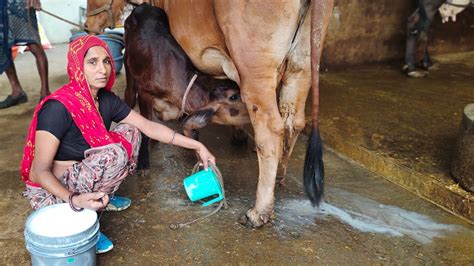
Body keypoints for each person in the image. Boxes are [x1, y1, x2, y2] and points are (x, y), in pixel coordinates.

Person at [21, 35, 216, 253]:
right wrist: (74, 199)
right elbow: (39, 172)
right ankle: (86, 220)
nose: (103, 69)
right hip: (53, 192)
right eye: (92, 62)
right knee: (113, 154)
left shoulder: (105, 99)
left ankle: (99, 196)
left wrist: (197, 146)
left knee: (131, 132)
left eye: (106, 61)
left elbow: (149, 126)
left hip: (83, 172)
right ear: (77, 66)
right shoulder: (58, 108)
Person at [0, 0, 50, 109]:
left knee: (33, 43)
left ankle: (45, 92)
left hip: (20, 4)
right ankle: (17, 91)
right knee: (2, 45)